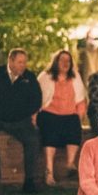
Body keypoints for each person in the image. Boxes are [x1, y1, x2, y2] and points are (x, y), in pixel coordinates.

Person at [0, 48, 43, 193]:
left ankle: (29, 181)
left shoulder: (29, 78)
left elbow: (36, 101)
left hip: (19, 121)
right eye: (20, 62)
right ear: (10, 61)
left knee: (33, 140)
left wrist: (22, 114)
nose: (23, 65)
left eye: (25, 62)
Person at [37, 50, 87, 185]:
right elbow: (36, 99)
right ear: (56, 62)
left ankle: (70, 165)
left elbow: (81, 100)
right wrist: (33, 117)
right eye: (62, 60)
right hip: (49, 113)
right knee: (50, 131)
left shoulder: (75, 77)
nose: (65, 63)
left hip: (69, 115)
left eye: (68, 61)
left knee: (74, 126)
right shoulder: (45, 76)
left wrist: (79, 115)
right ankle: (49, 172)